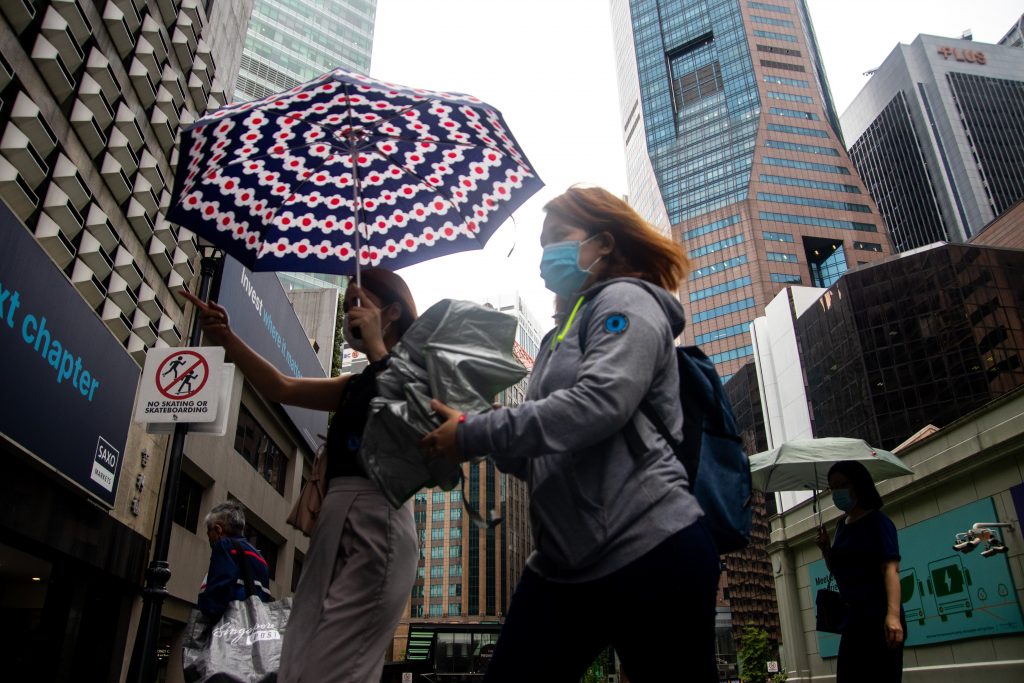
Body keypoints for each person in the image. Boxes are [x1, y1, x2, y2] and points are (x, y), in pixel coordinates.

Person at [421, 186, 720, 682]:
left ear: (604, 242)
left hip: (650, 547)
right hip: (563, 563)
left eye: (558, 237)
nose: (546, 254)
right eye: (542, 243)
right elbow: (542, 453)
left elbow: (599, 405)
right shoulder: (557, 336)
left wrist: (476, 432)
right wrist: (478, 424)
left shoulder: (626, 301)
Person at [181, 268, 420, 683]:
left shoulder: (417, 374)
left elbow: (418, 423)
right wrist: (227, 337)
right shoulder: (354, 385)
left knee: (340, 663)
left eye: (359, 303)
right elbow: (282, 387)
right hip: (334, 523)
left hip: (378, 523)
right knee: (300, 651)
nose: (349, 315)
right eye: (345, 307)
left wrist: (378, 349)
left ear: (393, 312)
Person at [815, 460, 905, 682]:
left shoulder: (878, 521)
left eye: (842, 485)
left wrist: (893, 616)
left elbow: (891, 569)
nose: (837, 492)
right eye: (832, 488)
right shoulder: (841, 526)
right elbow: (837, 569)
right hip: (853, 621)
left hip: (879, 619)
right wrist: (826, 549)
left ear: (858, 484)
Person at [198, 501, 272, 620]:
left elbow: (219, 590)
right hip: (251, 624)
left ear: (218, 529)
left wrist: (208, 612)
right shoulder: (260, 558)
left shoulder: (224, 545)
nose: (209, 537)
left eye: (209, 531)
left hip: (228, 623)